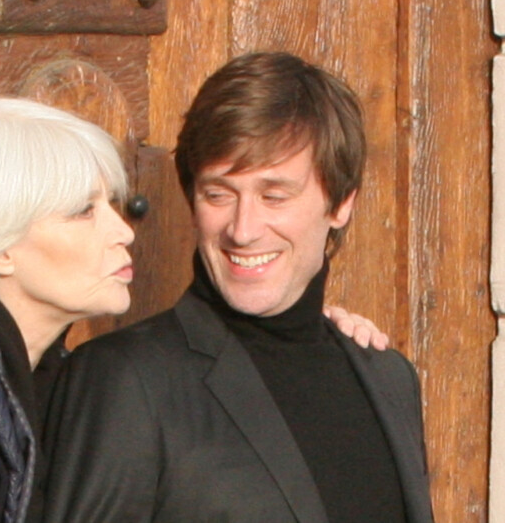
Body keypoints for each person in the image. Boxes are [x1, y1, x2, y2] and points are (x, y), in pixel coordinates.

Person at [42, 52, 433, 522]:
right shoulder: (126, 379)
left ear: (341, 204)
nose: (243, 229)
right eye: (219, 195)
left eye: (275, 195)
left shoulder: (388, 378)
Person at [0, 97, 135, 523]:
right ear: (0, 250)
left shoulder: (63, 383)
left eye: (112, 204)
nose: (123, 232)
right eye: (84, 211)